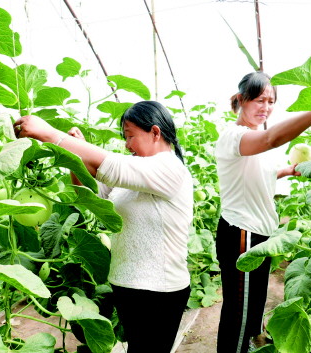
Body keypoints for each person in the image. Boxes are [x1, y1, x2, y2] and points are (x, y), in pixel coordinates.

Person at [14, 101, 193, 353]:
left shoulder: (169, 167)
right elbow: (91, 192)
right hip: (128, 284)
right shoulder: (137, 170)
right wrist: (74, 155)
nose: (127, 144)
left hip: (158, 290)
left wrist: (52, 135)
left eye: (130, 136)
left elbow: (110, 166)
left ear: (155, 132)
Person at [215, 71, 311, 353]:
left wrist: (290, 170)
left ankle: (249, 346)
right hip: (242, 232)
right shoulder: (234, 136)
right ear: (241, 101)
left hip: (261, 233)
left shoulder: (255, 139)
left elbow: (265, 171)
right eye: (258, 100)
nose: (265, 107)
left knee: (253, 305)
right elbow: (272, 139)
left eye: (270, 101)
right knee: (239, 312)